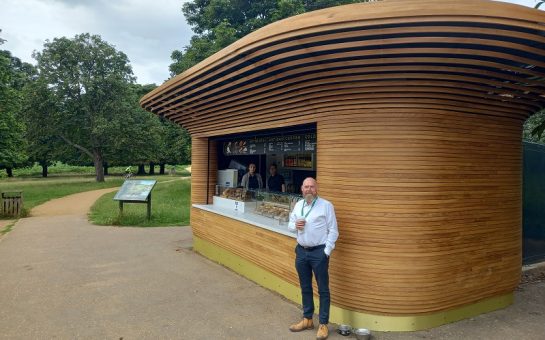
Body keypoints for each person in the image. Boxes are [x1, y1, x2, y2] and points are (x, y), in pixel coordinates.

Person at [288, 177, 339, 340]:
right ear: (301, 189)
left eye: (312, 187)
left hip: (319, 253)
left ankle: (323, 324)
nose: (309, 189)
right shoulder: (298, 205)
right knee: (305, 287)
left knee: (323, 289)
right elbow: (290, 225)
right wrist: (294, 226)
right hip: (301, 251)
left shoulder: (326, 205)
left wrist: (327, 251)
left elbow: (333, 231)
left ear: (316, 189)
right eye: (306, 187)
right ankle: (308, 319)